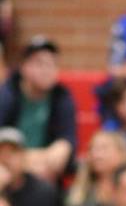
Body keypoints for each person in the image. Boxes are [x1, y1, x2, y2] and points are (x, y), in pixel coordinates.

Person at [0, 36, 77, 183]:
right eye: (40, 64)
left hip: (46, 175)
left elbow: (65, 146)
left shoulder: (62, 96)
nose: (47, 70)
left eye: (52, 64)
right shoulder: (6, 95)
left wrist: (25, 160)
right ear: (23, 67)